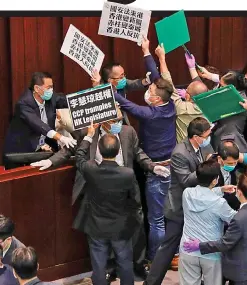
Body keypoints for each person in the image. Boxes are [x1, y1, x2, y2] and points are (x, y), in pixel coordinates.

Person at [31, 106, 169, 280]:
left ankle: (139, 264)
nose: (119, 124)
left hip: (126, 190)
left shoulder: (128, 132)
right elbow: (70, 150)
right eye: (114, 121)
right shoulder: (88, 133)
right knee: (109, 242)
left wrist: (152, 166)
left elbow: (138, 153)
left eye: (120, 120)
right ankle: (110, 269)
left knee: (135, 230)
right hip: (97, 191)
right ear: (103, 122)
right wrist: (50, 162)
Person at [96, 38, 176, 263]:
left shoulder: (150, 113)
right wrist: (146, 51)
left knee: (156, 219)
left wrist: (103, 88)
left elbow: (124, 102)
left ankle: (155, 260)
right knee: (167, 214)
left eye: (149, 89)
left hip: (157, 169)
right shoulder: (169, 103)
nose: (147, 88)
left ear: (155, 98)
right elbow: (155, 76)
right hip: (170, 164)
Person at [143, 117, 213, 285]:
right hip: (179, 208)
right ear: (196, 137)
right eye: (206, 135)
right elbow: (186, 180)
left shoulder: (206, 147)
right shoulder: (180, 152)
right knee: (167, 248)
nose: (209, 138)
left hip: (199, 207)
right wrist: (208, 166)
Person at [75, 122, 141, 285]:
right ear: (119, 151)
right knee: (125, 263)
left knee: (98, 266)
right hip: (121, 226)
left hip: (96, 225)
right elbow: (134, 199)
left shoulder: (91, 169)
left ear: (99, 150)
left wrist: (89, 136)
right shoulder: (127, 173)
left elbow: (79, 157)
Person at [183, 173, 247, 285]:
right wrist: (220, 190)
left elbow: (225, 243)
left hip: (244, 270)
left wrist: (199, 245)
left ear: (238, 192)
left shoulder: (239, 218)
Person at [178, 160, 236, 285]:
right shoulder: (220, 204)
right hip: (211, 253)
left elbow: (203, 195)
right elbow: (236, 220)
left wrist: (220, 189)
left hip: (188, 250)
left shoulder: (186, 194)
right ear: (215, 180)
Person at [3, 72, 76, 169]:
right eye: (48, 87)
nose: (51, 90)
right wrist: (61, 138)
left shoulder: (51, 98)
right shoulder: (24, 104)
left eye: (52, 87)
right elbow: (39, 125)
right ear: (37, 88)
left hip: (40, 149)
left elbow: (70, 101)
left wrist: (95, 89)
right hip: (20, 153)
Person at [155, 44, 208, 143]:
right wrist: (192, 68)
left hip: (185, 149)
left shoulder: (182, 108)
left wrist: (162, 59)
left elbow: (168, 82)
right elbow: (202, 90)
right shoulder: (210, 105)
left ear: (187, 96)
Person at [92, 61, 151, 125]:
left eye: (124, 75)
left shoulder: (121, 84)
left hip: (122, 122)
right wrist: (96, 87)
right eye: (121, 77)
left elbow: (134, 84)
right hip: (107, 125)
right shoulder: (100, 90)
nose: (124, 78)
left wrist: (147, 80)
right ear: (110, 80)